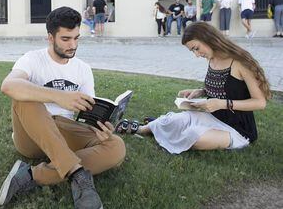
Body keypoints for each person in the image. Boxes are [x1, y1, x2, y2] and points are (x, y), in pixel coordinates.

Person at [0, 7, 125, 209]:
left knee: (116, 146)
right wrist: (58, 96)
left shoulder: (83, 68)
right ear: (50, 37)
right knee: (24, 96)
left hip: (65, 131)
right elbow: (8, 86)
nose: (72, 45)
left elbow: (89, 111)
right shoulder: (32, 59)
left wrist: (101, 128)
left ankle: (30, 175)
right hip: (32, 134)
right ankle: (76, 173)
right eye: (66, 39)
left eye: (76, 38)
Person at [116, 22, 270, 154]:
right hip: (213, 117)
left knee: (193, 136)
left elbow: (260, 102)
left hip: (238, 129)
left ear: (208, 39)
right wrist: (201, 91)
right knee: (175, 119)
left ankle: (163, 130)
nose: (197, 55)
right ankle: (144, 129)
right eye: (193, 51)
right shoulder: (212, 59)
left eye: (196, 48)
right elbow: (226, 88)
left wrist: (222, 104)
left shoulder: (240, 62)